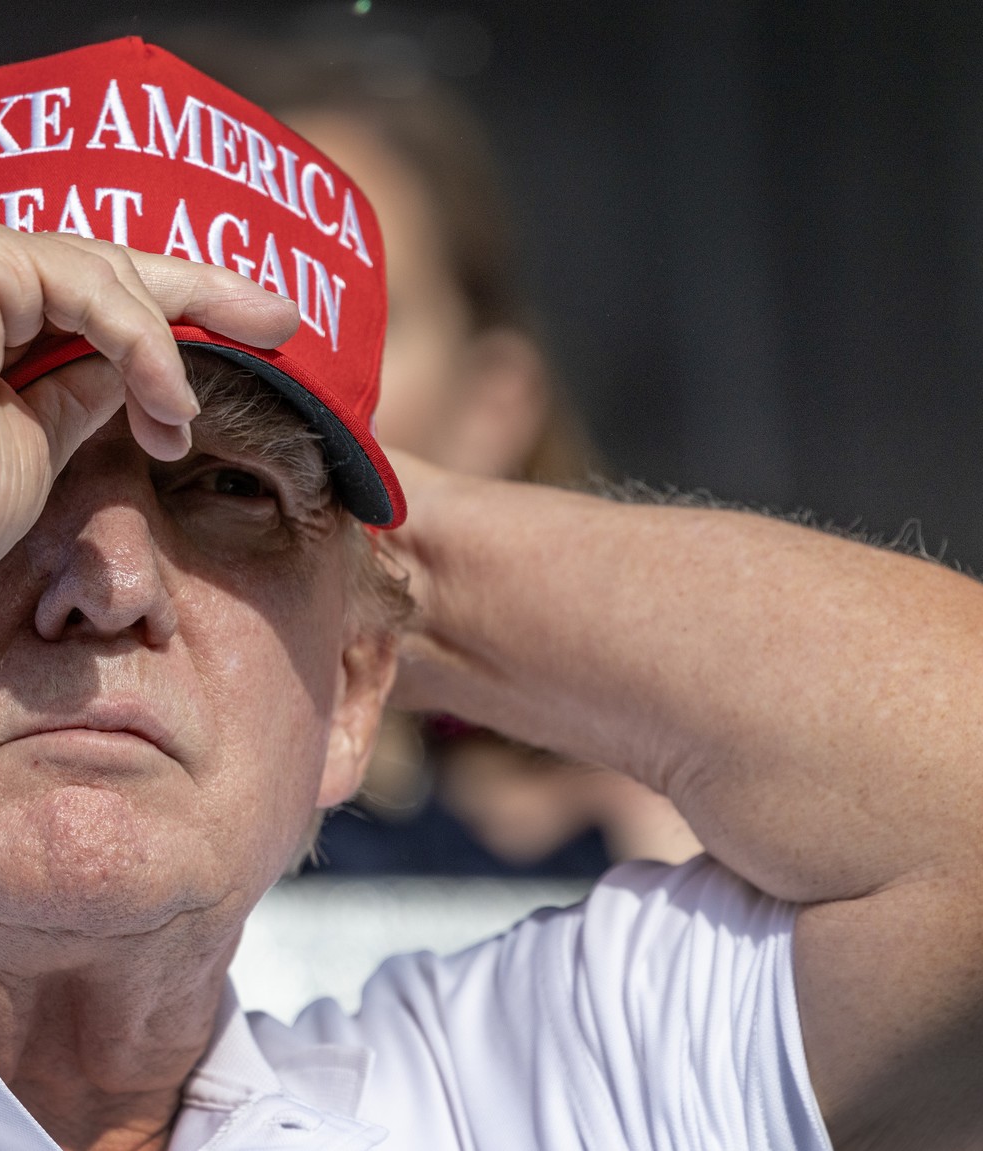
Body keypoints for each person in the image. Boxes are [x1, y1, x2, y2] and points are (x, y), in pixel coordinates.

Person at [0, 37, 980, 1151]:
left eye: (223, 496)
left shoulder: (495, 1093)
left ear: (359, 692)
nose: (109, 579)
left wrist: (388, 533)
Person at [187, 33, 700, 874]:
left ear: (494, 404)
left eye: (338, 310)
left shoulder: (625, 865)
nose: (271, 359)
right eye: (210, 301)